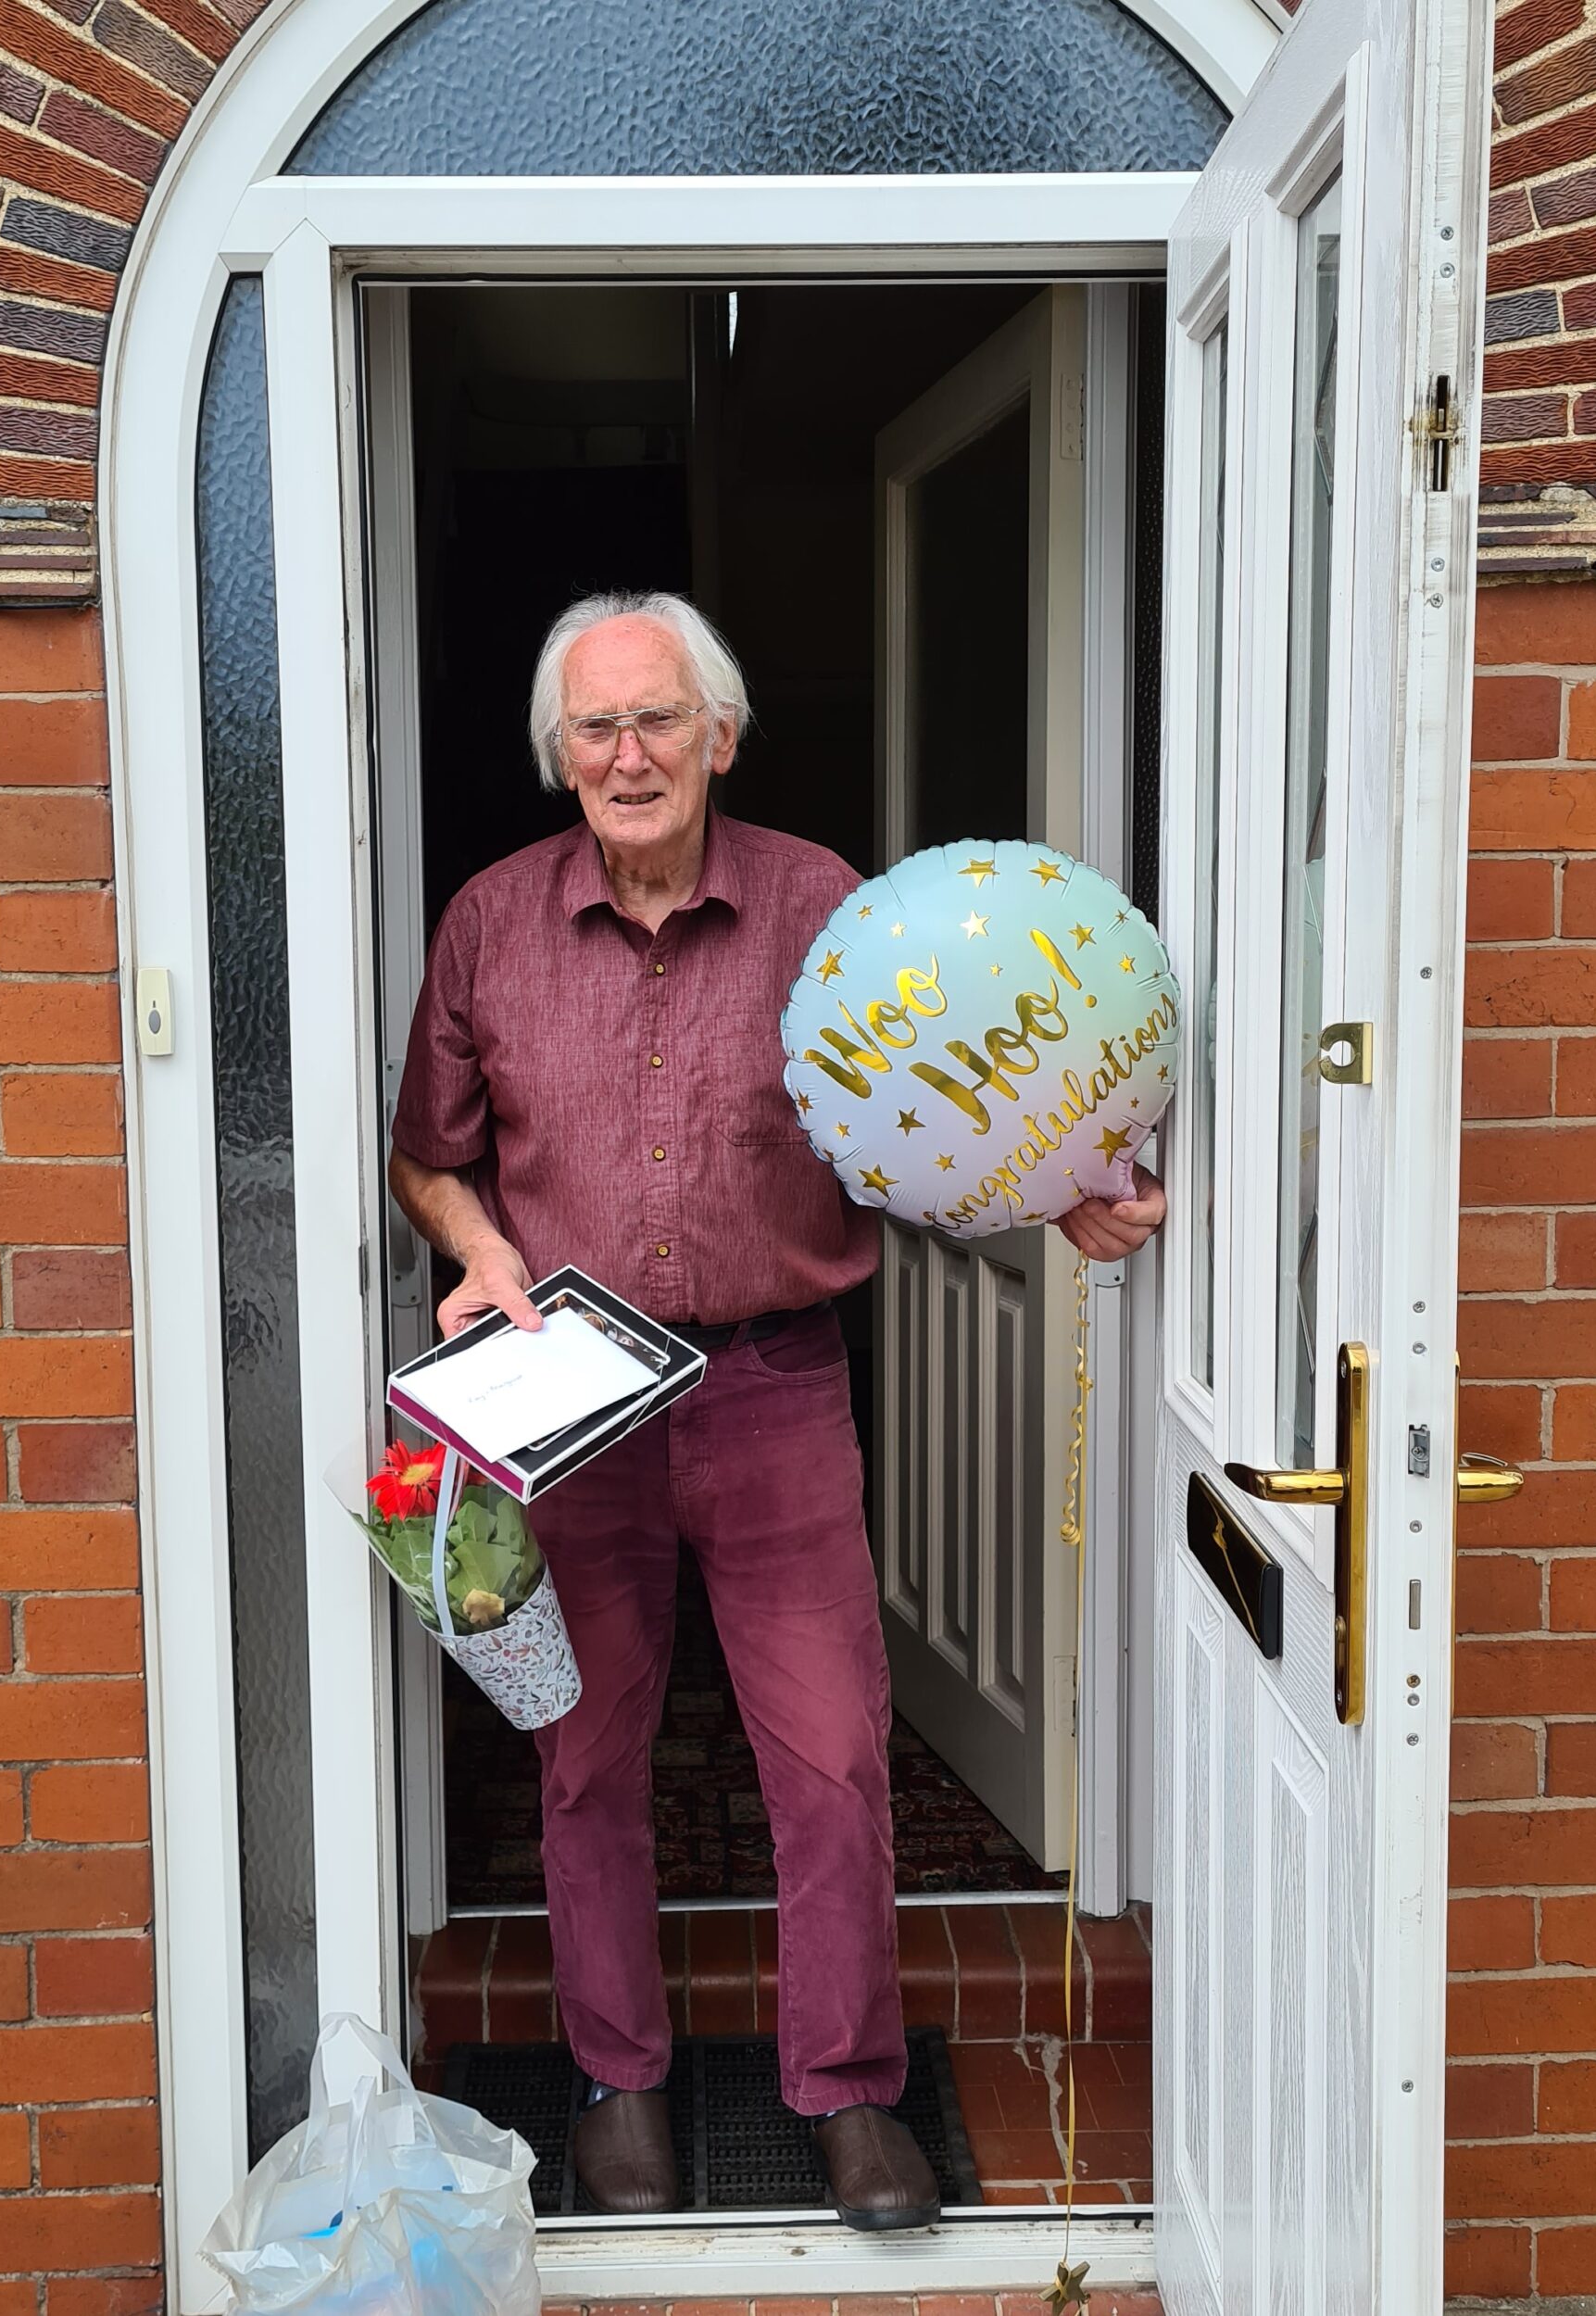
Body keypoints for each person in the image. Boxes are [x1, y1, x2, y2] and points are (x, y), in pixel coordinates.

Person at [389, 591, 1164, 2228]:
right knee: (585, 1758)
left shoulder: (827, 907)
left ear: (721, 736)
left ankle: (852, 2089)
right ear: (560, 757)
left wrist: (1072, 1191)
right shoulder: (489, 923)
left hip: (774, 1388)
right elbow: (427, 1153)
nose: (629, 755)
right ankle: (618, 2081)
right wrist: (480, 1247)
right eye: (596, 728)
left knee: (830, 1756)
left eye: (658, 719)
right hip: (577, 1400)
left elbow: (949, 1096)